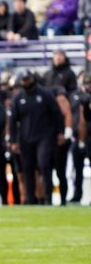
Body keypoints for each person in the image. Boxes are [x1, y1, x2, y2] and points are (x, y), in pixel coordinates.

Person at [9, 71, 63, 205]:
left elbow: (57, 114)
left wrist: (60, 132)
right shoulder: (18, 98)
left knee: (44, 165)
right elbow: (12, 120)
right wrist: (13, 140)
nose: (26, 82)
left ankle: (48, 197)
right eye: (23, 80)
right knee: (27, 168)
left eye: (27, 79)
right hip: (26, 137)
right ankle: (30, 198)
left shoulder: (45, 94)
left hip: (44, 136)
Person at [42, 50, 76, 205]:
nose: (57, 58)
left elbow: (68, 111)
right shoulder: (48, 74)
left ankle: (62, 199)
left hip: (59, 133)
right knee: (46, 168)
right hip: (47, 133)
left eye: (60, 56)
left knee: (60, 169)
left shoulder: (69, 74)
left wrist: (66, 131)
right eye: (55, 56)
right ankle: (48, 198)